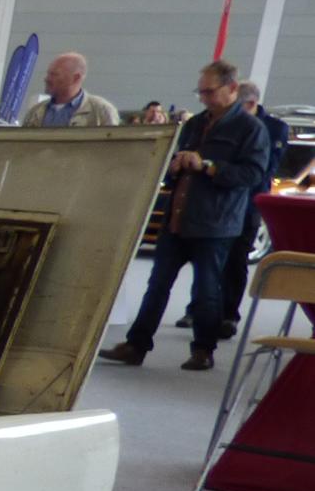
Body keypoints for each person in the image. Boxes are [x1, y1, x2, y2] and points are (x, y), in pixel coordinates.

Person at [99, 59, 270, 372]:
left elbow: (252, 175)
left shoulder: (251, 129)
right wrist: (173, 167)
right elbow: (170, 166)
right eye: (200, 92)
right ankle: (136, 345)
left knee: (206, 291)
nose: (203, 98)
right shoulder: (194, 124)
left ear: (232, 88)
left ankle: (203, 350)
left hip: (215, 224)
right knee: (156, 286)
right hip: (177, 219)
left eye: (209, 92)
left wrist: (208, 166)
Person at [206, 81, 289, 333]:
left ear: (251, 103)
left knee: (236, 259)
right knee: (210, 257)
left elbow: (266, 168)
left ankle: (228, 314)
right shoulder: (224, 123)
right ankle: (198, 310)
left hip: (249, 203)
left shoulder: (275, 128)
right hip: (220, 199)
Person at [20, 52, 119, 127]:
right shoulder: (35, 112)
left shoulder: (100, 111)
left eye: (54, 74)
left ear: (76, 78)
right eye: (48, 74)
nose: (47, 79)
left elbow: (112, 146)